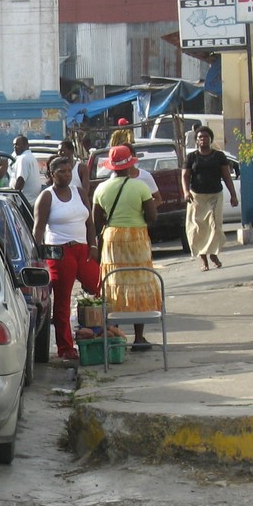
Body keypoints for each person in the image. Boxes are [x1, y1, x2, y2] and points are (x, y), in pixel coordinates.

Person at [33, 155, 101, 362]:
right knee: (62, 301)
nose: (66, 175)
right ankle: (65, 347)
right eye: (61, 171)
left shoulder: (79, 192)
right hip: (59, 252)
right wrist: (39, 255)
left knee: (99, 288)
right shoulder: (46, 197)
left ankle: (98, 334)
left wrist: (93, 245)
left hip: (82, 249)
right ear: (51, 174)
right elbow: (38, 229)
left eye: (69, 171)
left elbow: (89, 223)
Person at [93, 144, 159, 351]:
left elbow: (96, 222)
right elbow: (152, 217)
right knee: (138, 281)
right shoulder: (140, 187)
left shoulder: (101, 189)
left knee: (115, 283)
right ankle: (139, 337)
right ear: (129, 165)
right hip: (137, 237)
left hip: (112, 238)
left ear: (111, 167)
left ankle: (116, 336)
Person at [181, 125, 238, 271]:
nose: (203, 139)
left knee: (215, 226)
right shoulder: (191, 157)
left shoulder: (219, 156)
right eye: (200, 137)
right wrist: (186, 192)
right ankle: (203, 258)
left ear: (210, 139)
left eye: (206, 137)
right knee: (198, 228)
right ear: (197, 140)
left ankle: (213, 254)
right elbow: (185, 176)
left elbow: (226, 176)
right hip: (196, 196)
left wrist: (233, 195)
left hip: (215, 195)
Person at [9, 135, 45, 205]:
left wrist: (15, 197)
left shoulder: (23, 159)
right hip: (32, 201)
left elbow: (20, 179)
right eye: (13, 145)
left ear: (25, 145)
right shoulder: (30, 157)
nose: (14, 147)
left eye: (17, 144)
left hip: (24, 202)